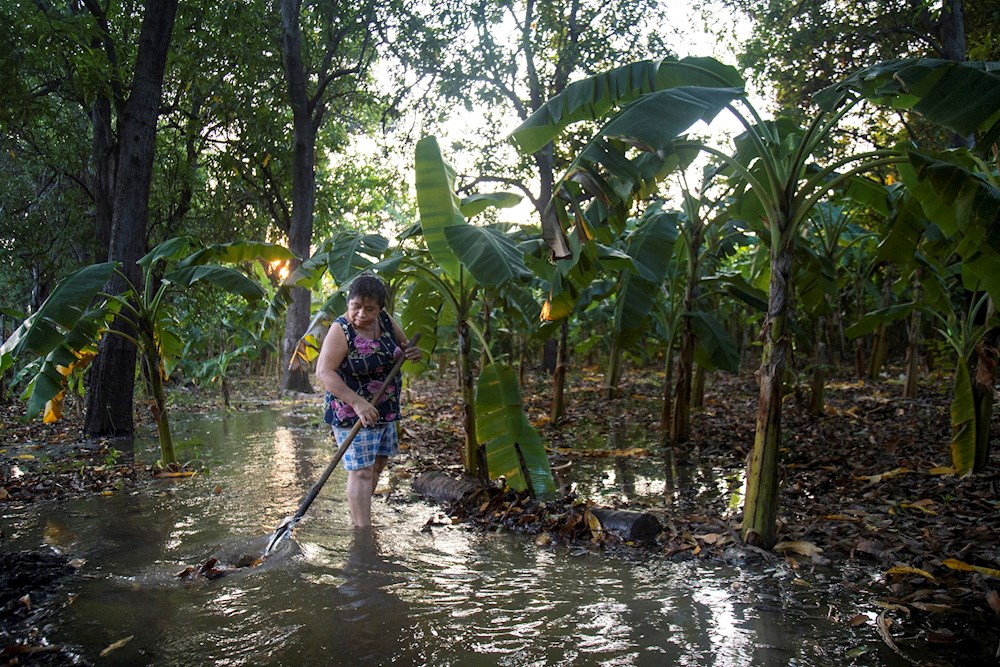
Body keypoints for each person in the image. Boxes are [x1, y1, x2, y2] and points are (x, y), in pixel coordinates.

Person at [315, 273, 421, 528]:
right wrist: (357, 403)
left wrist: (410, 352)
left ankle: (359, 511)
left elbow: (402, 347)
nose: (362, 313)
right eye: (356, 306)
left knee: (378, 464)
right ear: (348, 304)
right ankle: (363, 535)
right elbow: (323, 372)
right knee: (361, 470)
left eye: (369, 308)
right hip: (351, 409)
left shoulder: (385, 321)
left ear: (380, 308)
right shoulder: (341, 330)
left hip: (383, 407)